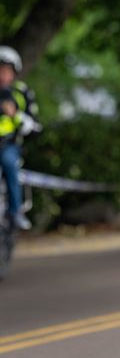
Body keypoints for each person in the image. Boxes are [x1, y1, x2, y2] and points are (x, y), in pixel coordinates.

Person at [0, 46, 40, 231]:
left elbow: (35, 127)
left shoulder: (21, 93)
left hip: (9, 145)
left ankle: (15, 211)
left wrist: (14, 114)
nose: (3, 75)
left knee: (8, 162)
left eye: (7, 71)